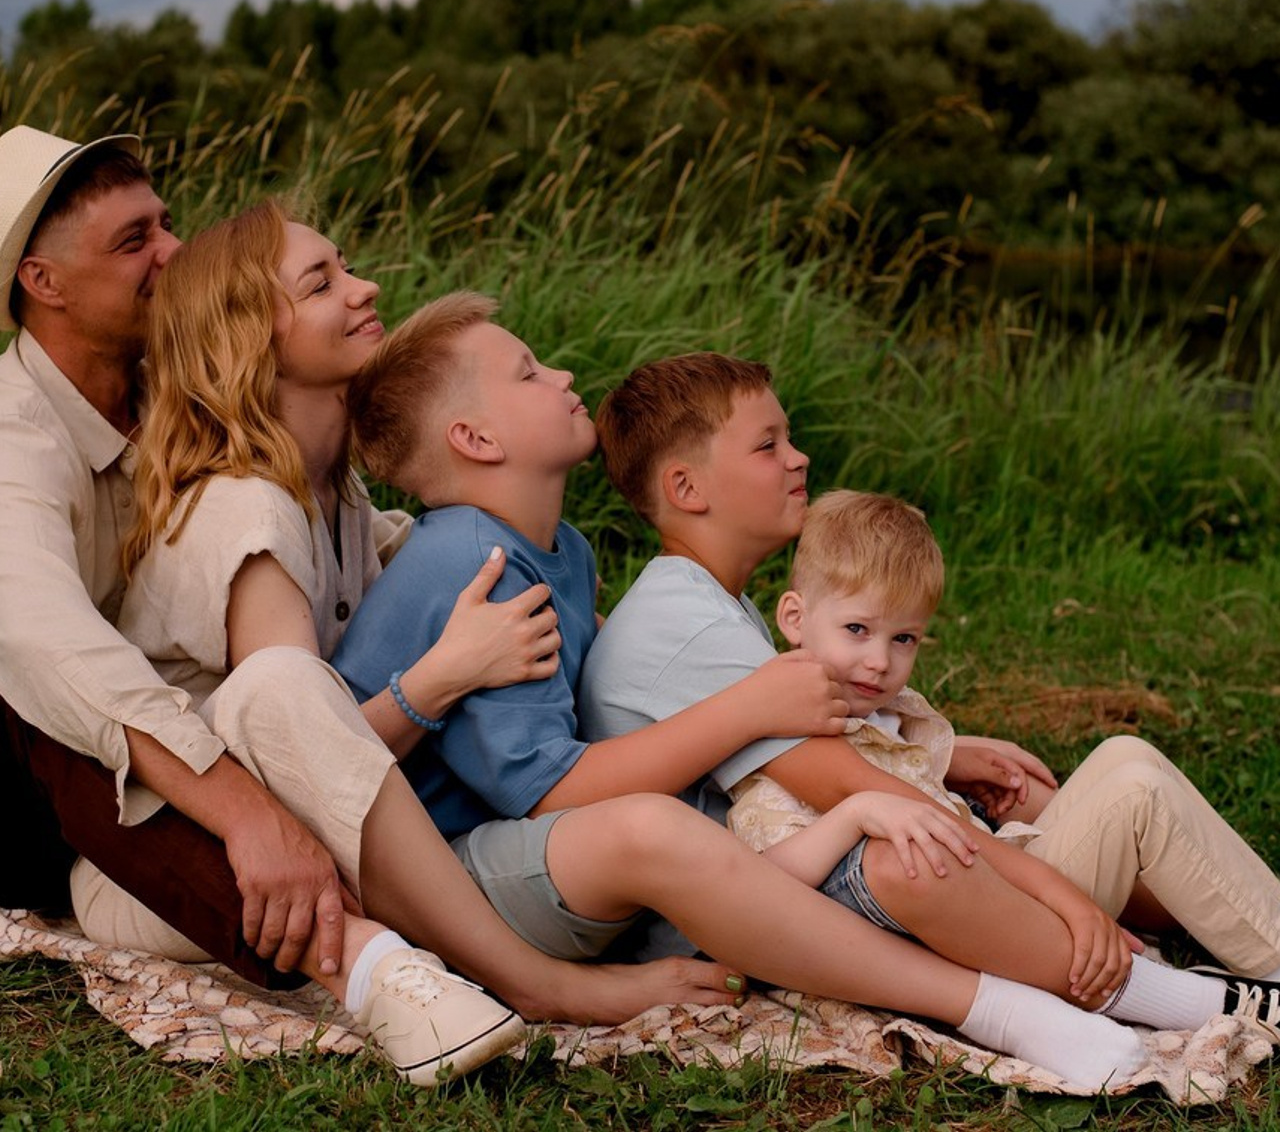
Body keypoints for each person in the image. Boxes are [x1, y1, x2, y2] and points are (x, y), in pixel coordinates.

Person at [0, 129, 747, 1080]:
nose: (172, 254)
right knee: (277, 684)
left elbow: (373, 552)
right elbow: (53, 652)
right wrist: (428, 686)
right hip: (126, 820)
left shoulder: (294, 471)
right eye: (133, 239)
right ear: (45, 281)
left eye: (168, 225)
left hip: (229, 784)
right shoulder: (37, 446)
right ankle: (526, 977)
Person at [332, 291, 1155, 1089]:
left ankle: (1072, 969)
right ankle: (999, 1005)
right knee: (660, 829)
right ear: (474, 438)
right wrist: (750, 707)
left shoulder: (564, 550)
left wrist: (926, 748)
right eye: (527, 372)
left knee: (725, 837)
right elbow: (550, 791)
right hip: (442, 886)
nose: (560, 375)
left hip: (527, 866)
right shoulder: (472, 565)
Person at [576, 351, 1280, 1040]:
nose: (799, 459)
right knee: (1130, 781)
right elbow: (850, 786)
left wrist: (950, 752)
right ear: (687, 488)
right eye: (768, 445)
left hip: (811, 890)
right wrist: (1066, 899)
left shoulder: (703, 604)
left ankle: (1200, 934)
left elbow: (825, 760)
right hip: (793, 922)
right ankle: (1216, 955)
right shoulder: (689, 624)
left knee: (1042, 787)